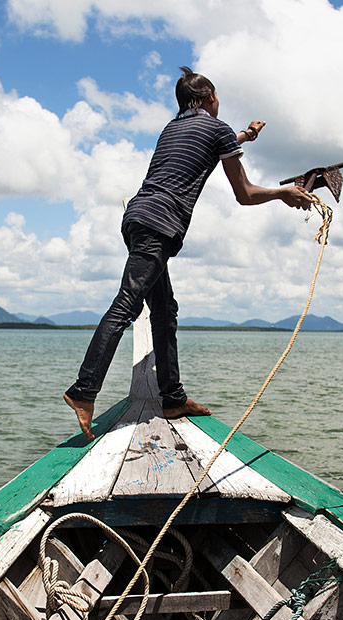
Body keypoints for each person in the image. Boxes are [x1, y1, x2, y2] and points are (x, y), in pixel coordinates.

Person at [64, 66, 312, 440]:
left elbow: (213, 146)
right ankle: (83, 390)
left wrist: (246, 135)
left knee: (165, 309)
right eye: (217, 97)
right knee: (128, 304)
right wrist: (283, 193)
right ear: (210, 96)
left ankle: (173, 398)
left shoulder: (173, 127)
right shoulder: (217, 128)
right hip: (159, 223)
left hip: (137, 217)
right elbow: (243, 193)